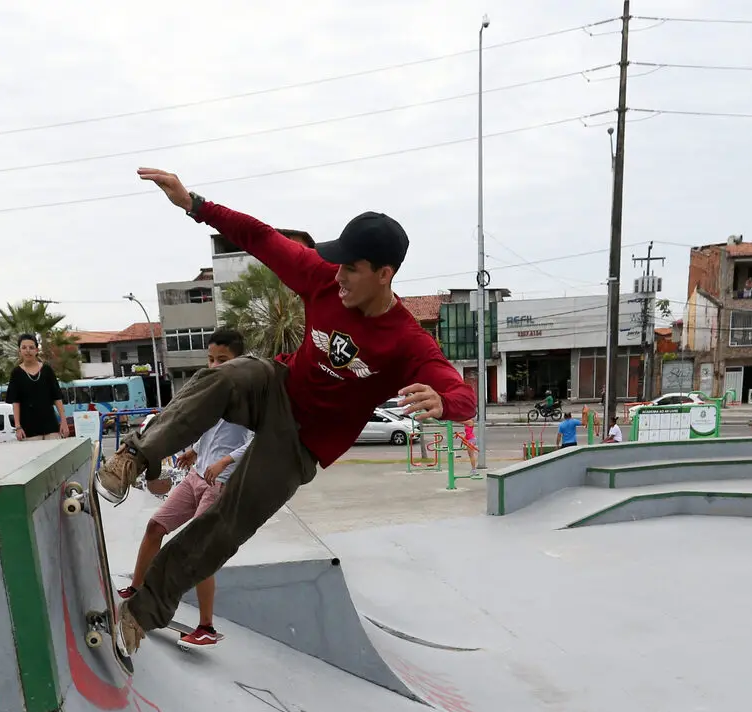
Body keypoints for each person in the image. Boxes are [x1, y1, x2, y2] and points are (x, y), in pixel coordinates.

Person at [96, 167, 474, 653]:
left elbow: (461, 394)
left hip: (299, 444)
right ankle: (133, 460)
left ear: (385, 274)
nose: (338, 277)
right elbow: (260, 237)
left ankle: (141, 614)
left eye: (352, 269)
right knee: (227, 375)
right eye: (337, 266)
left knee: (225, 526)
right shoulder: (321, 278)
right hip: (276, 387)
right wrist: (193, 203)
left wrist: (444, 403)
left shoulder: (406, 341)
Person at [119, 328, 251, 648]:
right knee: (155, 526)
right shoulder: (213, 393)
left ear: (239, 361)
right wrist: (195, 450)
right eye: (210, 359)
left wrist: (223, 462)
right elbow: (210, 431)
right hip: (196, 477)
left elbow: (254, 441)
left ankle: (206, 626)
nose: (215, 365)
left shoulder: (248, 396)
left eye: (223, 360)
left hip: (219, 484)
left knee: (199, 552)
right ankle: (137, 587)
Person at [8, 335, 66, 440]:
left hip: (50, 425)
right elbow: (15, 402)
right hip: (28, 429)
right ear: (19, 351)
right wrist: (18, 427)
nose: (28, 351)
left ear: (36, 350)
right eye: (24, 348)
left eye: (31, 347)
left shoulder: (47, 370)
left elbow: (57, 397)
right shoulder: (16, 373)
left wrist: (63, 421)